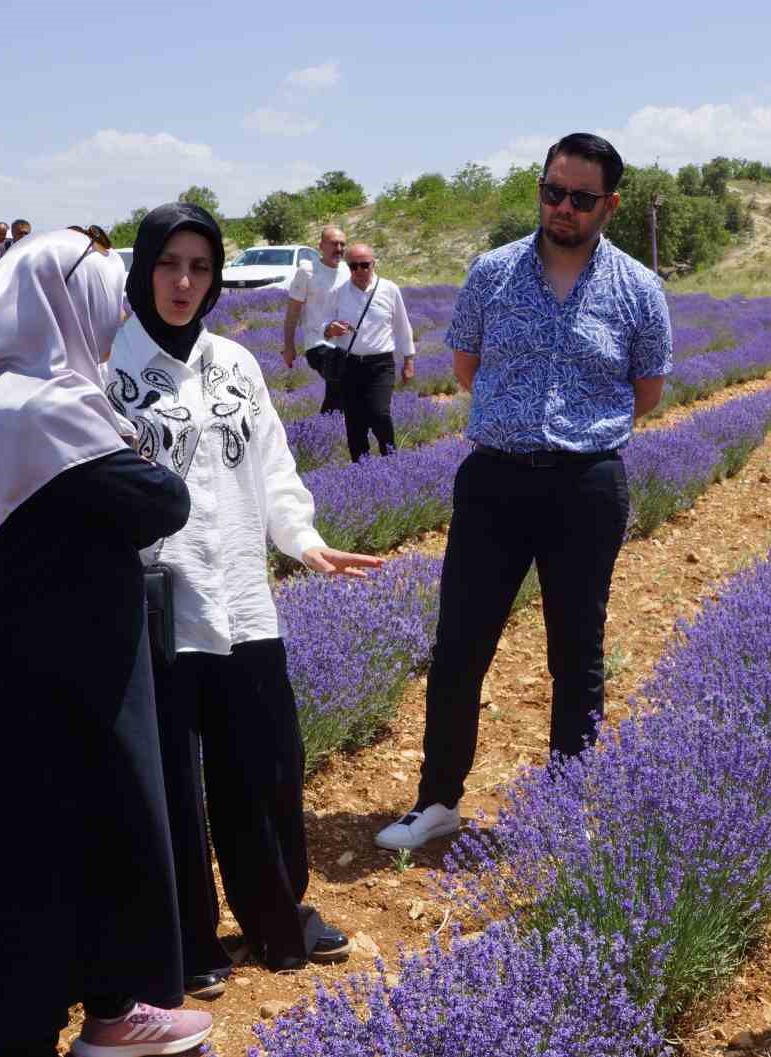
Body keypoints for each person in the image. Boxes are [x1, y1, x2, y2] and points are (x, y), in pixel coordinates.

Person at [0, 227, 212, 1057]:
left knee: (33, 836)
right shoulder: (44, 404)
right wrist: (134, 447)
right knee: (56, 838)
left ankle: (107, 1007)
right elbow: (160, 503)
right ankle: (60, 1025)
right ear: (66, 303)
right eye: (106, 299)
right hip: (42, 672)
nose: (114, 314)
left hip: (9, 658)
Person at [106, 202, 382, 991]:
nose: (184, 282)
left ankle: (276, 916)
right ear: (143, 269)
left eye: (200, 267)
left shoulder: (236, 363)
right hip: (154, 606)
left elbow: (272, 466)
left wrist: (304, 538)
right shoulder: (106, 372)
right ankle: (186, 940)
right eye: (169, 264)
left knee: (264, 763)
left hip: (242, 598)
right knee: (167, 784)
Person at [375, 132, 672, 851]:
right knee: (458, 648)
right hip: (495, 479)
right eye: (551, 191)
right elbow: (469, 367)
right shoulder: (492, 273)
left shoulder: (638, 288)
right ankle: (438, 799)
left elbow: (649, 391)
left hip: (586, 484)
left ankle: (566, 809)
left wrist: (574, 428)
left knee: (576, 652)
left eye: (579, 197)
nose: (561, 208)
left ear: (610, 204)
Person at [321, 244, 414, 461]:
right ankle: (361, 467)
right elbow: (323, 326)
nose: (360, 270)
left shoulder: (389, 289)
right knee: (355, 421)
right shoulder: (338, 292)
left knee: (379, 413)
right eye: (354, 266)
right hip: (349, 363)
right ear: (348, 267)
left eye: (365, 265)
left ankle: (390, 458)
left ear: (374, 264)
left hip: (381, 365)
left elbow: (402, 326)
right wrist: (330, 329)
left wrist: (409, 360)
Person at [282, 225, 350, 413]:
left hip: (345, 344)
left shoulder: (348, 270)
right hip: (317, 343)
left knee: (341, 392)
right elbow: (293, 312)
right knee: (339, 379)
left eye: (342, 244)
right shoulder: (307, 270)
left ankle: (328, 430)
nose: (338, 249)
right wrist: (289, 346)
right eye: (333, 244)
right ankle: (328, 429)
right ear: (321, 246)